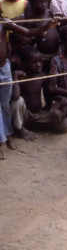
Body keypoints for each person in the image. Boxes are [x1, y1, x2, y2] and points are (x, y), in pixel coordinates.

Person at [10, 46, 67, 140]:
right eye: (34, 62)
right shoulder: (19, 78)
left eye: (40, 61)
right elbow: (15, 96)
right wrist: (15, 77)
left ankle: (39, 127)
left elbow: (50, 95)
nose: (39, 64)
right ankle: (20, 129)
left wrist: (60, 99)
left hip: (39, 115)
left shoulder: (42, 76)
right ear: (23, 63)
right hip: (25, 116)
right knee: (18, 101)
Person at [24, 0, 60, 74]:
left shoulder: (50, 13)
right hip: (42, 56)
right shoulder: (32, 19)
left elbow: (58, 28)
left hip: (57, 52)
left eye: (45, 1)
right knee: (45, 74)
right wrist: (37, 35)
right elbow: (29, 38)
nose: (44, 4)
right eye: (40, 2)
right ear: (32, 3)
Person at [0, 24, 15, 158]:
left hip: (4, 69)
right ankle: (2, 141)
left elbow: (27, 31)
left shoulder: (3, 23)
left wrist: (46, 26)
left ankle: (9, 133)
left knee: (5, 105)